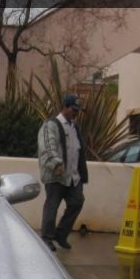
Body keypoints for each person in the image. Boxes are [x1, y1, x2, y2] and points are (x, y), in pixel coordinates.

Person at [37, 94, 89, 251]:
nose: (76, 113)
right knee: (52, 207)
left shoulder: (74, 127)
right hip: (56, 175)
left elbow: (78, 150)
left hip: (73, 176)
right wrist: (55, 163)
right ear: (65, 107)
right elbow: (47, 145)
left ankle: (61, 234)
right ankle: (46, 238)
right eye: (73, 109)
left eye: (78, 110)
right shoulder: (51, 125)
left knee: (77, 202)